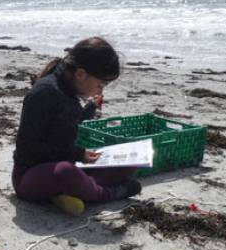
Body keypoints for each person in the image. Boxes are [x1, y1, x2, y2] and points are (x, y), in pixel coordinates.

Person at [12, 37, 141, 216]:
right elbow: (28, 148)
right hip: (30, 176)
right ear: (81, 74)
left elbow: (62, 125)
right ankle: (106, 194)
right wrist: (77, 154)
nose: (101, 90)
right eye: (101, 84)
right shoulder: (43, 93)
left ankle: (69, 192)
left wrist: (89, 109)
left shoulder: (69, 91)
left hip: (66, 164)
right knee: (65, 172)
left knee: (130, 164)